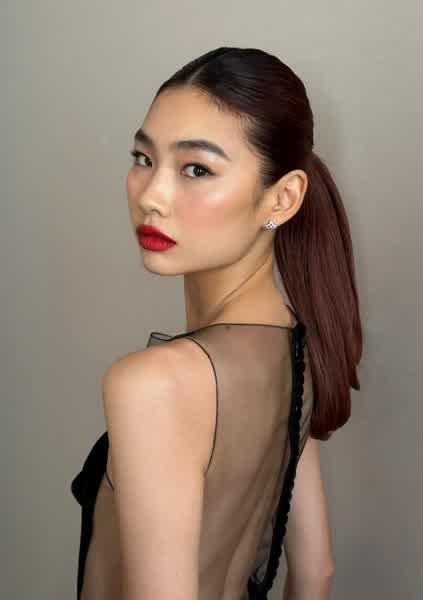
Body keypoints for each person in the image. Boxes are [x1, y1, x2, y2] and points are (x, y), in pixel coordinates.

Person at [71, 46, 363, 600]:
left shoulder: (153, 384)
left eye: (197, 169)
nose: (152, 196)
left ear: (283, 198)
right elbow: (316, 571)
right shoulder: (295, 352)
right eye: (143, 158)